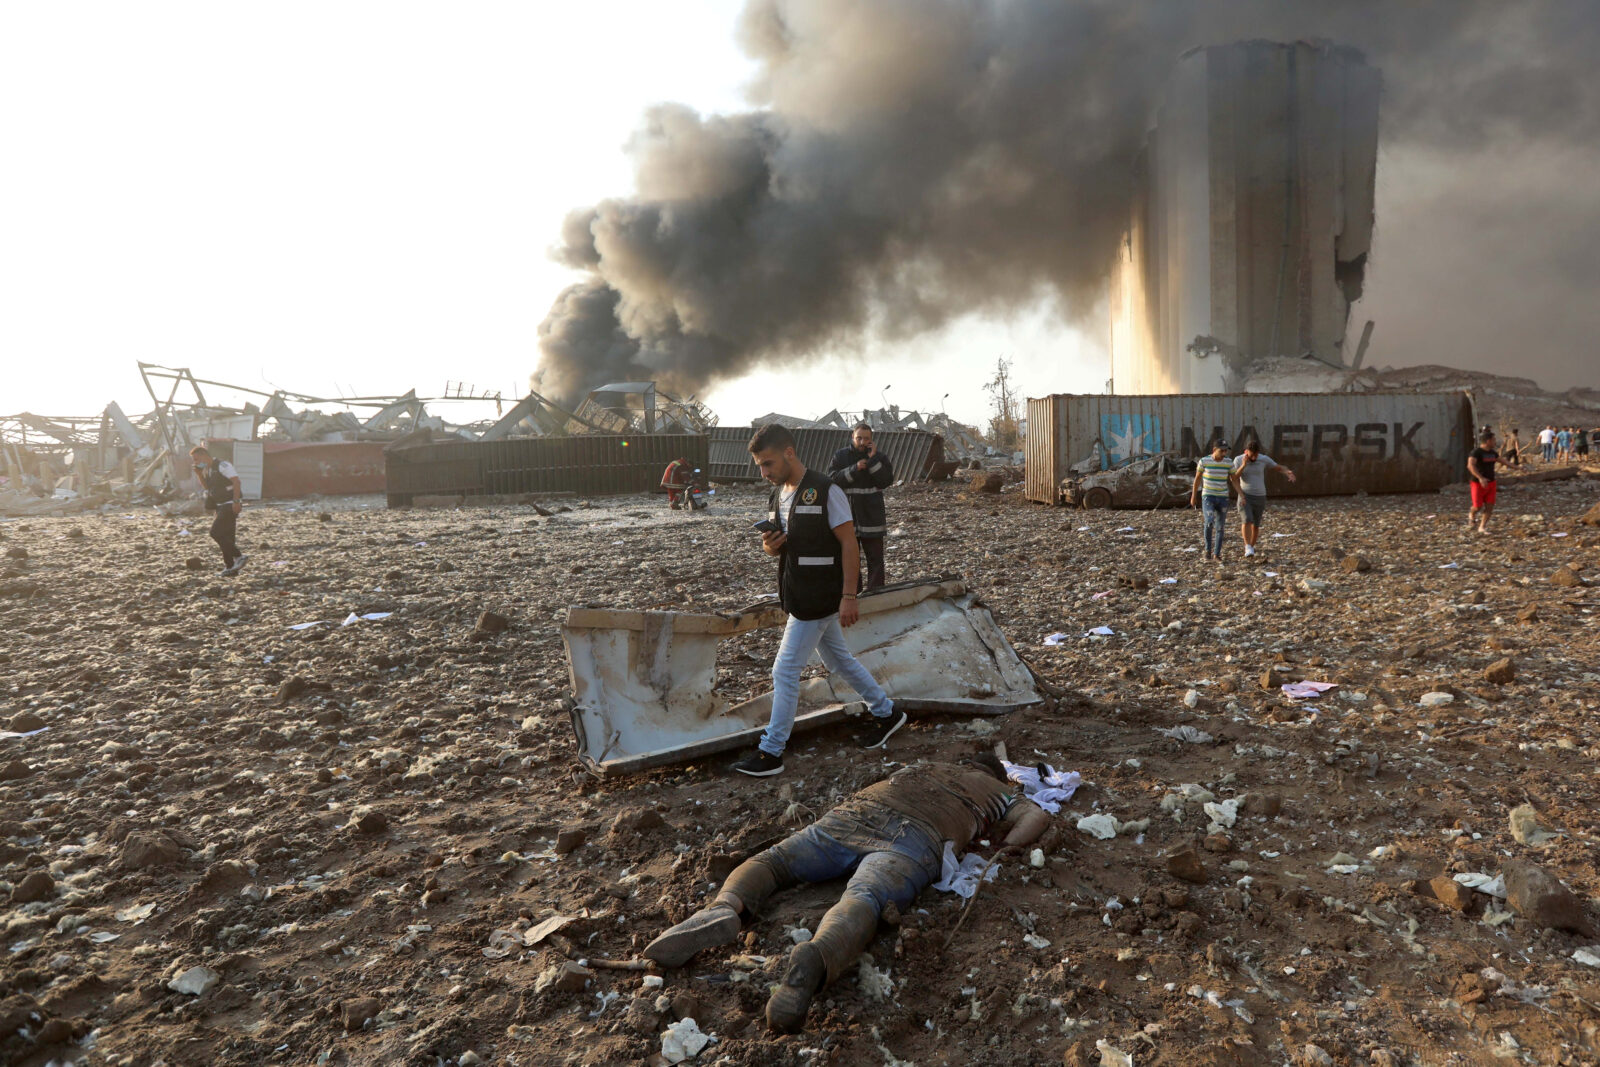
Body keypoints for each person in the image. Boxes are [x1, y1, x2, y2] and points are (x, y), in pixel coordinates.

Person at [643, 754, 1052, 1032]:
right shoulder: (995, 790)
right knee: (866, 897)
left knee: (776, 861)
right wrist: (1006, 845)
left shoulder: (921, 766)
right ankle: (819, 954)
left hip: (855, 815)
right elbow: (1035, 815)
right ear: (995, 774)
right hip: (913, 839)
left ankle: (724, 907)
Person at [733, 424, 905, 777]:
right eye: (759, 467)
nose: (764, 473)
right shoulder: (778, 494)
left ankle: (771, 751)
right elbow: (771, 545)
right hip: (796, 591)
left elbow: (848, 544)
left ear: (789, 453)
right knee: (839, 660)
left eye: (768, 464)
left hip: (819, 596)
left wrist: (848, 596)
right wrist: (770, 545)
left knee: (784, 671)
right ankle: (887, 712)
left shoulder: (827, 490)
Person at [827, 422, 895, 592]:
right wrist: (854, 469)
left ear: (871, 440)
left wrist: (872, 461)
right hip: (847, 515)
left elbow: (886, 481)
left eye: (866, 439)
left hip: (872, 515)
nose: (862, 442)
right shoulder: (841, 456)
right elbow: (832, 479)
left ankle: (876, 595)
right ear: (852, 437)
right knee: (850, 559)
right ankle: (853, 594)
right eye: (859, 438)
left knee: (876, 559)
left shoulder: (879, 457)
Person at [1231, 439, 1297, 558]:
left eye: (1256, 455)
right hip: (1245, 495)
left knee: (1255, 524)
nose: (1254, 458)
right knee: (1247, 520)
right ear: (1246, 452)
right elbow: (1234, 478)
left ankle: (1251, 546)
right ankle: (1247, 547)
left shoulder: (1263, 459)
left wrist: (1288, 472)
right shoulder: (1238, 459)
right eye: (1252, 455)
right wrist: (1243, 465)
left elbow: (1279, 467)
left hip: (1260, 496)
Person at [190, 446, 247, 574]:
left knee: (215, 532)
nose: (195, 463)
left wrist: (236, 501)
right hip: (220, 505)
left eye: (196, 459)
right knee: (227, 536)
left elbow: (236, 482)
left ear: (204, 455)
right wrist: (199, 474)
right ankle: (230, 567)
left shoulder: (223, 465)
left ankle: (239, 556)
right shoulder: (208, 469)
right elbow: (208, 487)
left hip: (230, 503)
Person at [1189, 439, 1237, 563]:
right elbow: (1197, 479)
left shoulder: (1229, 462)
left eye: (1226, 451)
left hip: (1223, 497)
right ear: (1214, 450)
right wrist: (1193, 496)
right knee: (1209, 521)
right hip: (1208, 496)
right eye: (1222, 451)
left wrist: (1241, 494)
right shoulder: (1204, 461)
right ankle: (1207, 550)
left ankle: (1217, 554)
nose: (1224, 453)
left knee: (1220, 527)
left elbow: (1234, 479)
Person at [1467, 430, 1500, 535]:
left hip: (1491, 483)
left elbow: (1504, 461)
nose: (1495, 442)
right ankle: (1471, 515)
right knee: (1477, 506)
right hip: (1477, 483)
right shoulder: (1476, 452)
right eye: (1494, 440)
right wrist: (1480, 478)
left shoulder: (1493, 453)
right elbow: (1470, 465)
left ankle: (1482, 527)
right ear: (1488, 441)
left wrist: (1518, 467)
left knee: (1490, 506)